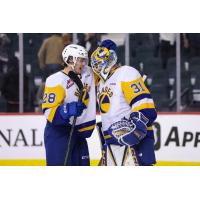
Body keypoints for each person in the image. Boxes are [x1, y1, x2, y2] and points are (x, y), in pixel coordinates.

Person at [91, 39, 157, 166]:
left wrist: (137, 130)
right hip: (111, 143)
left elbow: (145, 104)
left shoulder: (126, 72)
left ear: (108, 61)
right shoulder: (100, 81)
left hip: (133, 142)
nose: (97, 68)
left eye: (99, 64)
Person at [42, 44, 96, 166]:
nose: (83, 64)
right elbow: (48, 111)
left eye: (84, 60)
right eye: (80, 60)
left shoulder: (87, 73)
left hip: (79, 133)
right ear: (70, 59)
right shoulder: (55, 80)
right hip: (59, 135)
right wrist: (67, 110)